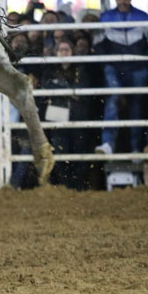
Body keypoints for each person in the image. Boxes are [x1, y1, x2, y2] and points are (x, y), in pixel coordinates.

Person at [94, 0, 148, 156]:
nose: (122, 1)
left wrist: (147, 66)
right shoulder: (106, 17)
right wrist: (106, 65)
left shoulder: (143, 17)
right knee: (112, 100)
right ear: (116, 0)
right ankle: (107, 144)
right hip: (115, 66)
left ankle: (136, 148)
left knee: (137, 106)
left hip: (137, 67)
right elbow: (98, 43)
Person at [40, 39, 91, 190]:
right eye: (61, 50)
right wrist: (70, 91)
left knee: (79, 150)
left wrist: (60, 88)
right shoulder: (50, 70)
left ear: (72, 52)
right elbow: (46, 86)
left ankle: (79, 186)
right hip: (57, 113)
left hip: (76, 114)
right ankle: (65, 186)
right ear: (56, 53)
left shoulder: (81, 69)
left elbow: (83, 89)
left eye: (67, 50)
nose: (64, 53)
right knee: (61, 150)